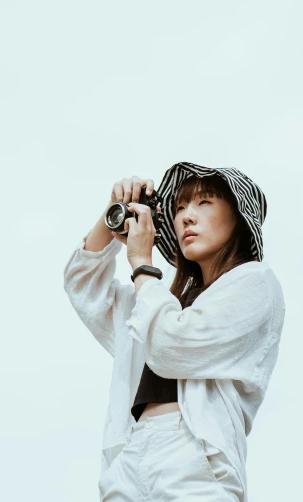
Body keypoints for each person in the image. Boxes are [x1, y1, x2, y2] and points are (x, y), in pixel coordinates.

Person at [63, 162, 285, 502]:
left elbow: (173, 346)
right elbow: (84, 289)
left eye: (204, 203)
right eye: (179, 207)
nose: (186, 217)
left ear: (238, 217)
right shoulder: (161, 299)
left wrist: (141, 262)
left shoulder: (255, 283)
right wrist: (110, 216)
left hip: (194, 459)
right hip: (130, 456)